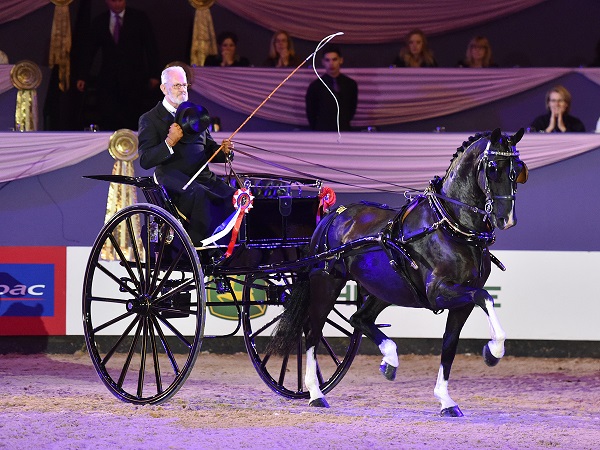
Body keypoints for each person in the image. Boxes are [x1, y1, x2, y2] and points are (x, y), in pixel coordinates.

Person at [138, 66, 236, 245]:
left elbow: (209, 149)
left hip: (202, 176)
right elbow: (145, 160)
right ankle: (201, 247)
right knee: (200, 195)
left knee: (234, 197)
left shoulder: (195, 114)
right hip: (172, 176)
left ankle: (228, 246)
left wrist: (224, 152)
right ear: (163, 88)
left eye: (184, 85)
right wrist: (169, 142)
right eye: (177, 86)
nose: (182, 90)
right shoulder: (150, 119)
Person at [76, 0, 160, 131]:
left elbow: (151, 47)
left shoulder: (139, 18)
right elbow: (89, 51)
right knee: (109, 118)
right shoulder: (100, 21)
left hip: (134, 79)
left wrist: (154, 74)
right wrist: (83, 76)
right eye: (113, 1)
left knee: (133, 117)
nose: (117, 4)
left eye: (119, 0)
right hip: (108, 80)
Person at [305, 45, 358, 131]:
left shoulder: (350, 84)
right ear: (323, 62)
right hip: (322, 132)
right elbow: (311, 112)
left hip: (344, 130)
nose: (331, 63)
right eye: (327, 60)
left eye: (334, 59)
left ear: (341, 60)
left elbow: (352, 109)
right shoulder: (315, 86)